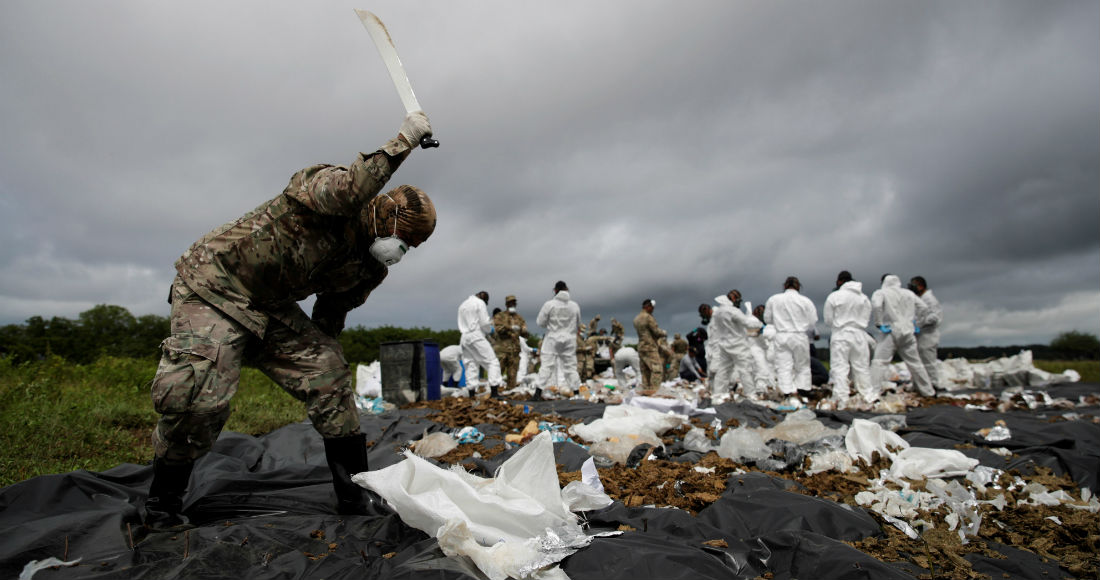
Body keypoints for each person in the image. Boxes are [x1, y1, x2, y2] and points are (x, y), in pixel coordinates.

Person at [143, 111, 435, 528]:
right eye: (403, 239)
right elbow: (352, 188)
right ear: (384, 215)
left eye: (412, 247)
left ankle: (353, 498)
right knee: (202, 394)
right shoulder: (327, 190)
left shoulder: (370, 267)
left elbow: (331, 312)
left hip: (269, 305)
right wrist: (402, 141)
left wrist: (318, 359)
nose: (401, 250)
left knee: (330, 372)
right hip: (216, 283)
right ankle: (163, 504)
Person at [871, 274, 933, 397]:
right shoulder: (909, 293)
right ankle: (928, 392)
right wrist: (916, 323)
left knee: (880, 362)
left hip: (890, 330)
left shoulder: (881, 292)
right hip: (908, 331)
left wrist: (879, 323)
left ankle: (872, 393)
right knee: (915, 363)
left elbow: (877, 305)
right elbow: (924, 308)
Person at [823, 271, 874, 406]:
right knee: (862, 367)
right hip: (859, 334)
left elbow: (828, 320)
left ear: (839, 282)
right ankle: (868, 397)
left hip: (840, 334)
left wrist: (839, 324)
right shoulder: (863, 298)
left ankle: (841, 399)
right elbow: (867, 317)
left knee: (840, 367)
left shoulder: (834, 296)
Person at [763, 277, 819, 397]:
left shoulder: (774, 299)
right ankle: (803, 390)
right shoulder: (806, 301)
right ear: (799, 286)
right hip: (799, 335)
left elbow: (767, 319)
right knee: (802, 365)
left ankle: (786, 392)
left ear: (784, 286)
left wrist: (780, 322)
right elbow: (812, 322)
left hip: (782, 335)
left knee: (783, 366)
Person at [707, 290, 763, 398]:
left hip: (723, 345)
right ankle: (750, 394)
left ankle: (718, 394)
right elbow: (748, 324)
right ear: (733, 298)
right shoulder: (733, 311)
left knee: (722, 371)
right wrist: (760, 325)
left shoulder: (717, 312)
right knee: (745, 370)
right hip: (738, 345)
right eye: (738, 300)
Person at [534, 281, 582, 400]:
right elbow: (578, 323)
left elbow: (540, 322)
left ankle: (537, 394)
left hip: (552, 339)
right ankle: (576, 393)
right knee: (570, 367)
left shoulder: (549, 304)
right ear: (567, 289)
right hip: (569, 339)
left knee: (546, 366)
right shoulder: (574, 305)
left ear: (555, 291)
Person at [458, 291, 503, 396]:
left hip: (464, 337)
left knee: (471, 364)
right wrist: (489, 330)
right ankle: (494, 393)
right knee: (492, 362)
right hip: (476, 335)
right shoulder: (480, 303)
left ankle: (471, 393)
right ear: (484, 299)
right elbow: (484, 322)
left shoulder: (463, 304)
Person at [910, 276, 943, 390]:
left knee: (928, 361)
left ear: (921, 286)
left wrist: (919, 324)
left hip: (928, 335)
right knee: (921, 361)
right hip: (921, 335)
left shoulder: (929, 299)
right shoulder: (921, 299)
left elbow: (934, 317)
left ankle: (933, 384)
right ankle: (921, 385)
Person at [492, 295, 528, 396]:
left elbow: (525, 334)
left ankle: (510, 395)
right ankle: (493, 393)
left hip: (515, 350)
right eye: (510, 303)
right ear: (506, 304)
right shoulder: (500, 316)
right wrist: (510, 327)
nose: (512, 304)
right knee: (497, 372)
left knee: (512, 375)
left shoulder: (519, 318)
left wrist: (523, 330)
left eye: (514, 302)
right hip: (502, 350)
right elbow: (498, 328)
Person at [633, 299, 665, 391]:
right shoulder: (648, 317)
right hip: (650, 347)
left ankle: (646, 390)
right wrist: (663, 333)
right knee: (657, 369)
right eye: (652, 307)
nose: (653, 310)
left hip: (641, 347)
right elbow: (656, 332)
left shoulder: (636, 318)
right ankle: (654, 390)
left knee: (645, 371)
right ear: (648, 306)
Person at [687, 304, 711, 373]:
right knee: (697, 371)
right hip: (695, 357)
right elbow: (688, 336)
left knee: (704, 370)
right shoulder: (693, 338)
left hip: (702, 357)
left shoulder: (700, 339)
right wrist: (695, 330)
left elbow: (706, 338)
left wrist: (701, 336)